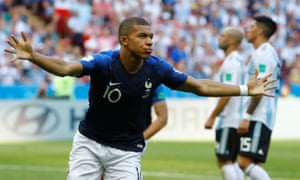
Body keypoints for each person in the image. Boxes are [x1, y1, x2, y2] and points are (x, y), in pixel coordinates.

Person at [5, 17, 276, 180]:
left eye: (152, 37)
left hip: (126, 152)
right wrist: (34, 55)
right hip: (88, 143)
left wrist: (244, 89)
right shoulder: (103, 63)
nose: (149, 41)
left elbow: (199, 86)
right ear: (124, 40)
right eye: (142, 36)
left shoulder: (157, 68)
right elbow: (65, 68)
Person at [237, 15, 281, 180]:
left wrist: (247, 116)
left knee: (244, 162)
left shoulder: (264, 54)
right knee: (253, 164)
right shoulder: (266, 52)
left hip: (258, 115)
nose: (247, 30)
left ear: (261, 31)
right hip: (262, 115)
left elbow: (260, 87)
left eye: (252, 27)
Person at [204, 26, 246, 180]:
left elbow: (227, 92)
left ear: (232, 41)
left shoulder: (231, 64)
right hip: (237, 118)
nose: (219, 38)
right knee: (231, 160)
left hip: (230, 119)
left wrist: (213, 116)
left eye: (223, 35)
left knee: (224, 160)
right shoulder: (237, 60)